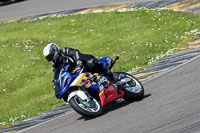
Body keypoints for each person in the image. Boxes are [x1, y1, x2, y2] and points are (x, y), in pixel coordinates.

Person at [43, 43, 119, 84]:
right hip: (77, 74)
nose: (49, 59)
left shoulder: (65, 51)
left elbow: (76, 53)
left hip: (85, 62)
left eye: (50, 56)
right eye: (48, 58)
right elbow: (58, 75)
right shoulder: (55, 66)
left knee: (91, 63)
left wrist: (79, 63)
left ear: (54, 52)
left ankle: (111, 76)